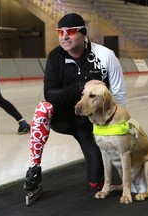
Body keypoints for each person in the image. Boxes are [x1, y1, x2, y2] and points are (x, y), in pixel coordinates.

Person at [24, 13, 127, 197]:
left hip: (90, 124)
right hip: (64, 118)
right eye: (60, 32)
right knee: (43, 108)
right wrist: (81, 86)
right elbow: (49, 93)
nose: (64, 36)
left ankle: (98, 171)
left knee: (97, 183)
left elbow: (119, 96)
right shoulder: (55, 56)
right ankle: (33, 169)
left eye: (70, 32)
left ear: (84, 33)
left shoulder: (105, 56)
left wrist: (116, 132)